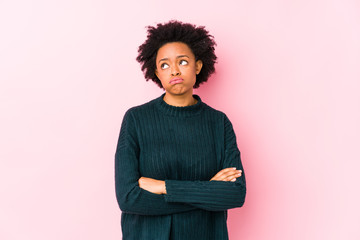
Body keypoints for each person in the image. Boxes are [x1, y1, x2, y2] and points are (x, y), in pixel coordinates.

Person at [115, 20, 246, 240]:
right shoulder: (136, 119)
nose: (174, 70)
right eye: (164, 65)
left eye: (183, 62)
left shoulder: (218, 123)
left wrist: (163, 186)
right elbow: (128, 197)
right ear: (156, 71)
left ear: (197, 66)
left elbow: (235, 194)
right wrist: (207, 192)